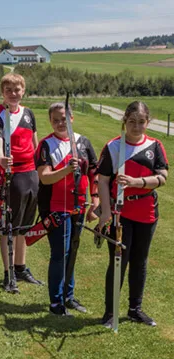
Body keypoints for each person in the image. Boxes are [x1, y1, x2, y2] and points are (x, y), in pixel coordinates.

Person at [97, 101, 168, 327]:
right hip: (121, 214)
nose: (136, 127)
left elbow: (162, 177)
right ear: (124, 122)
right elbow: (103, 179)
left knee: (140, 261)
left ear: (148, 122)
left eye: (141, 122)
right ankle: (110, 312)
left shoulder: (155, 146)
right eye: (131, 122)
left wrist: (138, 182)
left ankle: (135, 309)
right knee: (118, 261)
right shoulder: (113, 147)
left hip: (146, 211)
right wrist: (106, 212)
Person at [35, 102, 98, 315]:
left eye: (64, 118)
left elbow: (94, 172)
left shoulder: (83, 142)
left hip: (79, 205)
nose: (61, 123)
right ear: (50, 121)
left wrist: (96, 199)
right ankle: (56, 301)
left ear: (71, 118)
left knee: (73, 252)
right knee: (60, 254)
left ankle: (68, 296)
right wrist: (65, 169)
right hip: (55, 208)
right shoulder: (46, 145)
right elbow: (44, 177)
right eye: (56, 120)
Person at [0, 73, 43, 292]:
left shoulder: (28, 113)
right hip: (12, 175)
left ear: (23, 91)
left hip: (31, 174)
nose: (13, 93)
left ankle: (21, 267)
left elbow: (35, 144)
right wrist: (1, 159)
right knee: (9, 225)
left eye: (17, 89)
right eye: (8, 90)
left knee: (24, 226)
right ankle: (8, 271)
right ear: (2, 92)